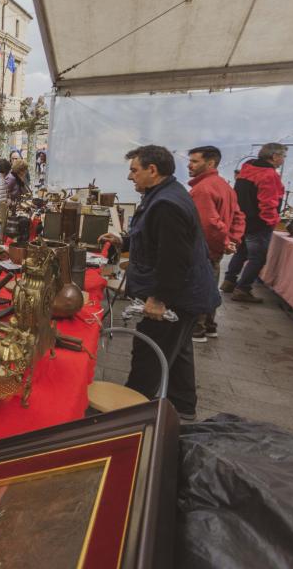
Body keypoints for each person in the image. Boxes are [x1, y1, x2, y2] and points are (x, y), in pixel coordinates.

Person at [98, 145, 219, 420]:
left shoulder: (166, 203)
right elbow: (155, 239)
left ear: (152, 170)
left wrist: (159, 299)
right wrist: (125, 241)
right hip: (186, 294)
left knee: (149, 355)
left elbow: (174, 258)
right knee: (177, 353)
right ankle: (184, 409)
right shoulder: (163, 194)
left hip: (177, 295)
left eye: (134, 170)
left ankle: (127, 416)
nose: (130, 177)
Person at [186, 145, 245, 342]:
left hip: (204, 250)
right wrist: (232, 241)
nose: (189, 165)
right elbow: (239, 217)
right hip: (215, 249)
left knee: (199, 289)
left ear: (210, 163)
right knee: (211, 286)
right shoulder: (225, 185)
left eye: (195, 161)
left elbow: (209, 224)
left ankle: (197, 329)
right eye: (190, 160)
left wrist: (228, 241)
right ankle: (210, 326)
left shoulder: (203, 189)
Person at [222, 142, 287, 303]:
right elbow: (268, 202)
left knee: (241, 251)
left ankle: (229, 282)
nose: (284, 160)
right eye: (283, 156)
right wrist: (272, 221)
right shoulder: (268, 175)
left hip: (243, 220)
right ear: (274, 156)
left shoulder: (247, 168)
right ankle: (243, 289)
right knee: (257, 258)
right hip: (258, 224)